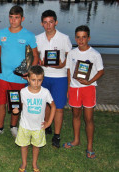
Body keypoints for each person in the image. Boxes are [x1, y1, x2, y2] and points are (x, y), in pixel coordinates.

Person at [0, 5, 39, 137]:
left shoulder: (29, 35)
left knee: (16, 103)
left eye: (16, 18)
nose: (13, 20)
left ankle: (13, 127)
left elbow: (35, 55)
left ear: (22, 18)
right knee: (0, 103)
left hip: (19, 77)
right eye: (11, 17)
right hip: (3, 76)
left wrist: (30, 73)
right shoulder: (2, 33)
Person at [64, 25, 104, 159]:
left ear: (88, 38)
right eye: (78, 37)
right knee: (75, 115)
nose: (81, 40)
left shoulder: (95, 54)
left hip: (89, 89)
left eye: (84, 37)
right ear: (75, 38)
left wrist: (90, 81)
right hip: (75, 89)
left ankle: (90, 146)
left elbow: (101, 71)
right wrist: (69, 88)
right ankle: (76, 140)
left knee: (88, 118)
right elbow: (69, 70)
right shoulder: (72, 53)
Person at [36, 10, 72, 148]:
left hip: (60, 77)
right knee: (44, 104)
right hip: (43, 76)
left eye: (51, 22)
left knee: (58, 107)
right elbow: (35, 57)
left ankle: (57, 135)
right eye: (45, 22)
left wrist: (62, 65)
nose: (48, 25)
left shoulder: (64, 38)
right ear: (42, 24)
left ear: (56, 22)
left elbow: (70, 57)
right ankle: (46, 127)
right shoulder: (37, 38)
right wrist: (40, 62)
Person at [14, 66, 56, 172]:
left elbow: (53, 106)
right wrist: (17, 110)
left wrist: (49, 122)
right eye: (33, 80)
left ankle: (34, 163)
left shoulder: (45, 92)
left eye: (39, 80)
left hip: (39, 126)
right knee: (24, 145)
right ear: (28, 79)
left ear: (42, 79)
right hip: (25, 125)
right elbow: (21, 105)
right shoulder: (23, 92)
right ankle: (24, 163)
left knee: (36, 146)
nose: (36, 83)